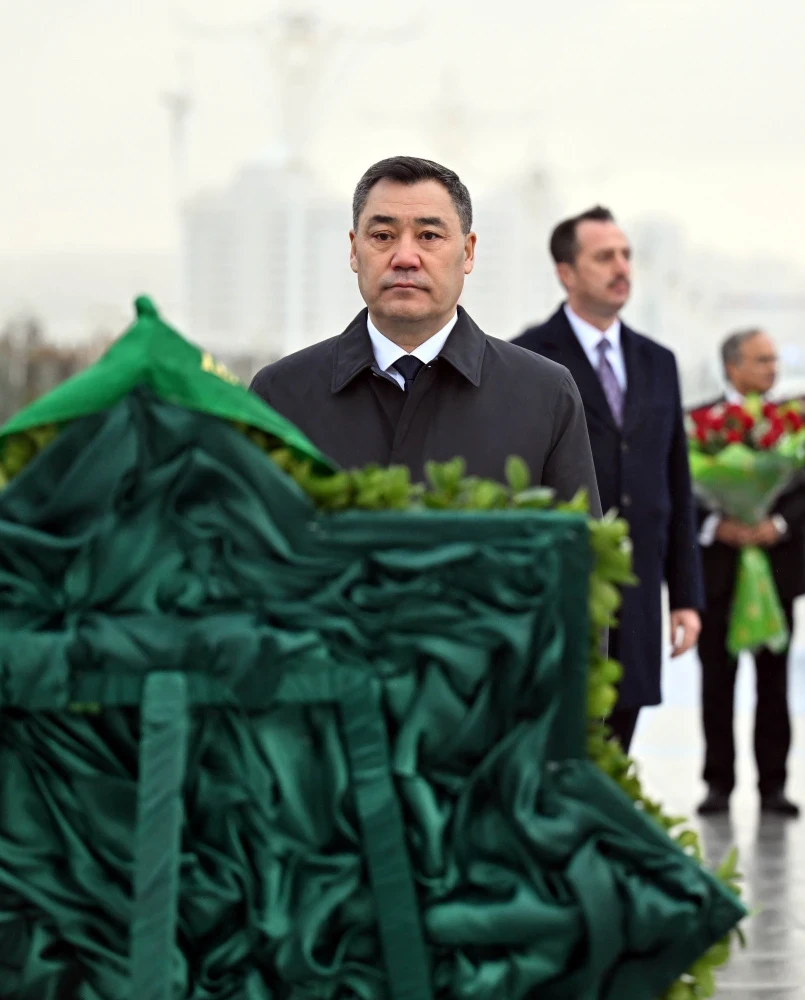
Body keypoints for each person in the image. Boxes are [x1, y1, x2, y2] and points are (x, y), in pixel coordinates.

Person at [250, 156, 601, 514]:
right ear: (355, 250)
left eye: (429, 236)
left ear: (467, 252)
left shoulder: (544, 395)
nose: (405, 257)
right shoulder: (280, 395)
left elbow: (580, 557)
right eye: (383, 236)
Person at [512, 207, 703, 753]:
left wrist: (686, 596)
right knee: (560, 748)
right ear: (566, 273)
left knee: (618, 753)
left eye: (625, 255)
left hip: (638, 596)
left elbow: (676, 485)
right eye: (604, 257)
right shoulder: (525, 357)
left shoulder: (658, 362)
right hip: (561, 594)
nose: (621, 268)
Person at [695, 329, 805, 817]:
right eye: (761, 360)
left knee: (774, 683)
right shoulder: (698, 424)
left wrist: (774, 524)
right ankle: (718, 784)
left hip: (775, 573)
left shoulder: (792, 424)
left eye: (774, 360)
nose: (772, 369)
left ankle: (774, 786)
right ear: (733, 366)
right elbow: (679, 493)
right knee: (716, 682)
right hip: (717, 573)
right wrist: (719, 524)